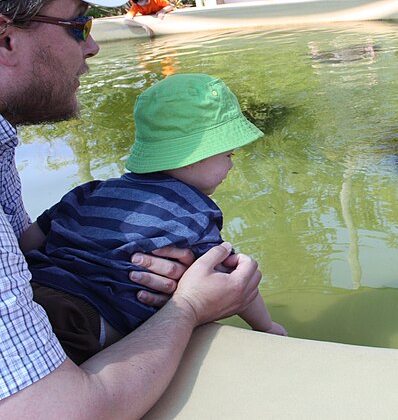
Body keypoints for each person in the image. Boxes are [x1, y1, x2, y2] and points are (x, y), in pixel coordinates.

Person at [0, 0, 262, 416]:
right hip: (80, 329)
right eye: (79, 24)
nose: (93, 45)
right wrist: (188, 306)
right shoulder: (193, 213)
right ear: (6, 39)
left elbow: (28, 242)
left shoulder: (4, 145)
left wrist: (116, 254)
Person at [22, 74, 287, 364]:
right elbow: (235, 282)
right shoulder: (193, 212)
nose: (231, 165)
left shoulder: (92, 190)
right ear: (199, 155)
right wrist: (266, 326)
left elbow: (27, 242)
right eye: (228, 155)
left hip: (29, 296)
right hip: (84, 321)